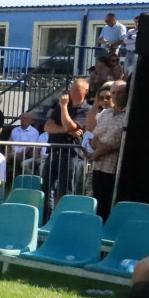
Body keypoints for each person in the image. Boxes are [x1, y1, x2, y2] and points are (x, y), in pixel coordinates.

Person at [42, 78, 91, 208]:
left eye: (76, 89)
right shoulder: (60, 107)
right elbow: (47, 127)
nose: (72, 92)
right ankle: (47, 218)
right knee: (46, 188)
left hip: (71, 154)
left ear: (86, 91)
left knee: (64, 190)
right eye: (71, 89)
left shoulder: (86, 110)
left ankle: (61, 217)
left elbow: (71, 126)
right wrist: (66, 129)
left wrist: (64, 108)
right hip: (54, 151)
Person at [86, 80, 128, 220]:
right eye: (114, 93)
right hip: (98, 167)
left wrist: (98, 152)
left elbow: (121, 143)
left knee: (110, 206)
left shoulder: (130, 115)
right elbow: (95, 136)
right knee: (97, 203)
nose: (116, 96)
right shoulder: (105, 113)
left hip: (114, 169)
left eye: (120, 93)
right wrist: (98, 149)